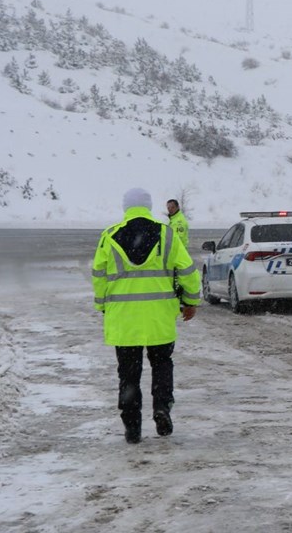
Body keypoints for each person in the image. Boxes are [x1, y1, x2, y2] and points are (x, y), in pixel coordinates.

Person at [91, 188, 200, 444]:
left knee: (129, 374)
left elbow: (99, 276)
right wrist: (190, 302)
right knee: (162, 364)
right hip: (159, 318)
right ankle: (162, 407)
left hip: (124, 320)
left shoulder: (109, 236)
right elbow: (188, 271)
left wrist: (103, 306)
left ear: (125, 206)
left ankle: (132, 426)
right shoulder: (166, 234)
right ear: (149, 206)